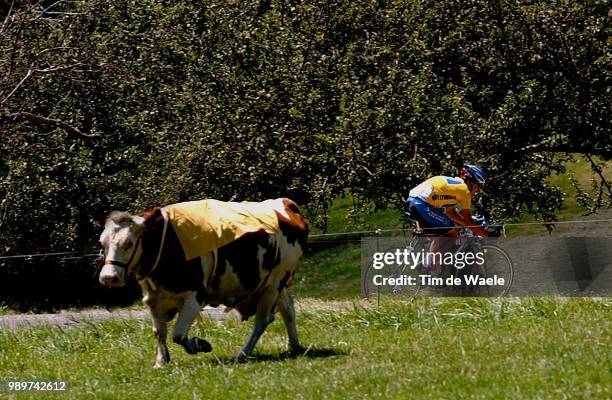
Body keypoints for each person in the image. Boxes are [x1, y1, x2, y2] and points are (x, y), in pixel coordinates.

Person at [405, 164, 496, 272]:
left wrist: (468, 225)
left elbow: (450, 212)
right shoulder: (465, 191)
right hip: (422, 204)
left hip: (414, 202)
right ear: (471, 182)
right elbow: (468, 222)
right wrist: (488, 234)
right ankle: (427, 265)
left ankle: (429, 266)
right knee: (454, 233)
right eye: (478, 185)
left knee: (445, 231)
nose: (478, 190)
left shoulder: (456, 187)